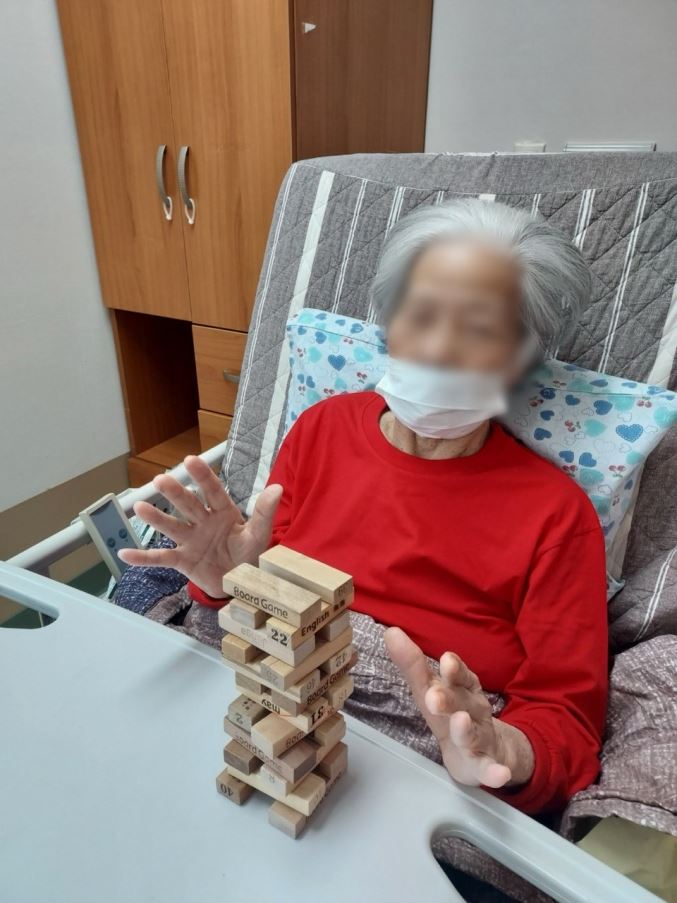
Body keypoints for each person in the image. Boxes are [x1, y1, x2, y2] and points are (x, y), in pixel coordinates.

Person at [118, 197, 609, 817]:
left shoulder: (557, 517)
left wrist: (501, 749)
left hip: (417, 763)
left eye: (481, 330)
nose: (439, 347)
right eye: (420, 313)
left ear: (522, 360)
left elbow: (568, 717)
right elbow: (258, 605)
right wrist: (226, 584)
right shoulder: (322, 428)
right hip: (266, 701)